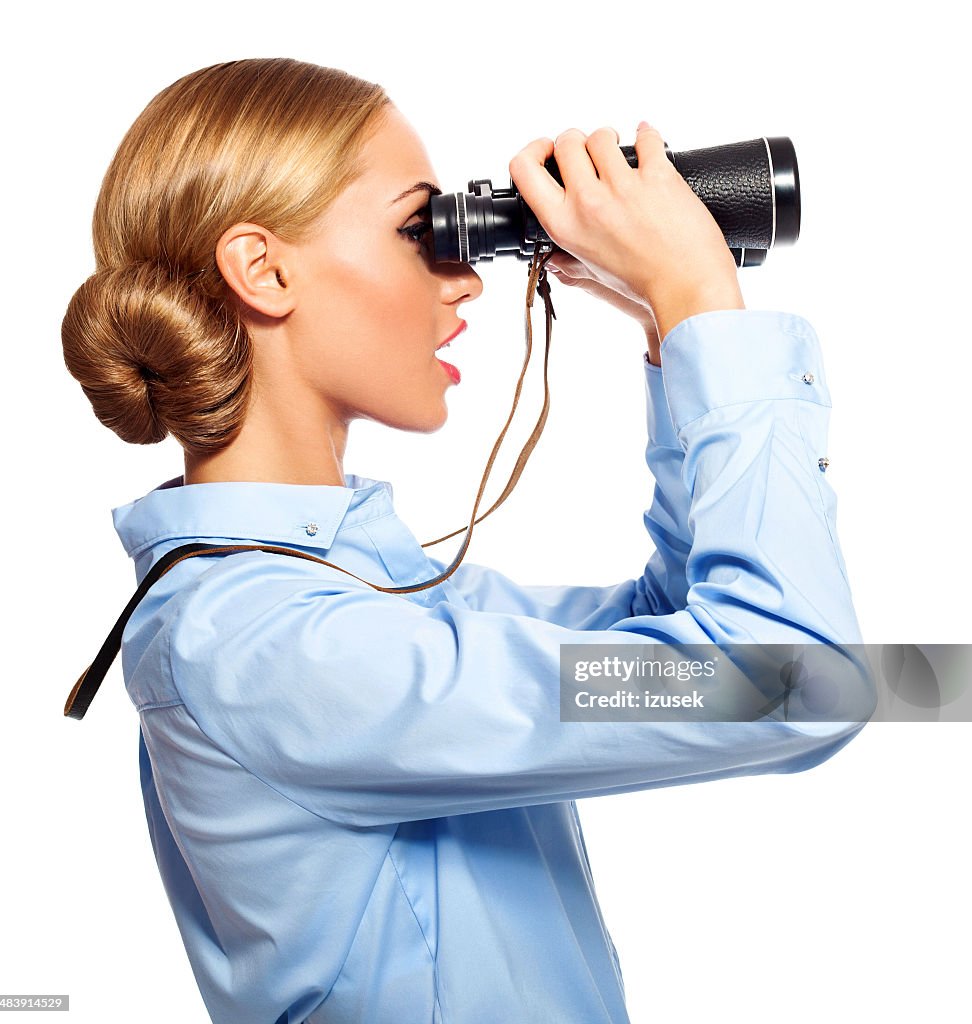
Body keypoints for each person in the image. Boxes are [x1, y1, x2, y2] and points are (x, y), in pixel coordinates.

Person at [61, 58, 873, 1024]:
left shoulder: (371, 601)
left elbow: (675, 630)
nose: (466, 280)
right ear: (265, 270)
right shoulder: (267, 648)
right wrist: (701, 294)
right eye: (421, 229)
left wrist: (670, 330)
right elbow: (797, 681)